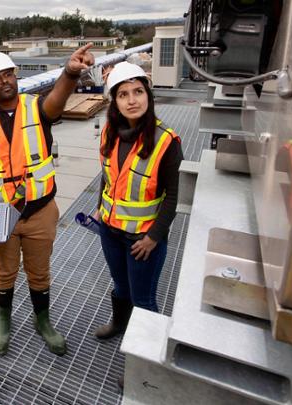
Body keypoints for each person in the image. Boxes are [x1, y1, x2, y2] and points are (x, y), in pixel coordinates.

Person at [0, 45, 95, 356]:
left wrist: (70, 73)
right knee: (4, 272)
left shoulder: (37, 108)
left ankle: (43, 321)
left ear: (16, 75)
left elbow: (57, 101)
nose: (5, 81)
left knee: (39, 272)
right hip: (2, 217)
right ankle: (4, 321)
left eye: (8, 73)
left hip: (40, 211)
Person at [92, 62, 183, 340]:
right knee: (121, 287)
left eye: (138, 91)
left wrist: (154, 237)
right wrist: (99, 209)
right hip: (110, 231)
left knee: (143, 300)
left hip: (142, 241)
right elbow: (108, 176)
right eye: (123, 94)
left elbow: (174, 196)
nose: (132, 100)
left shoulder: (166, 141)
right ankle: (120, 324)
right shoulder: (110, 132)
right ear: (114, 102)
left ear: (148, 96)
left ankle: (143, 363)